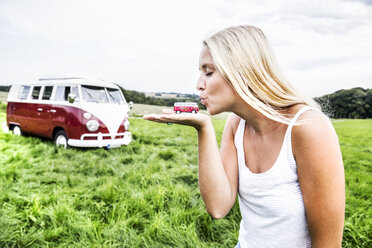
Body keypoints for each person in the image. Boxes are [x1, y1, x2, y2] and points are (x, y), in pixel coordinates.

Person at [144, 25, 345, 247]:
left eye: (208, 72)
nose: (199, 85)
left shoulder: (308, 127)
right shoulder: (236, 125)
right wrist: (203, 129)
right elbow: (218, 207)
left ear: (241, 70)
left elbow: (328, 244)